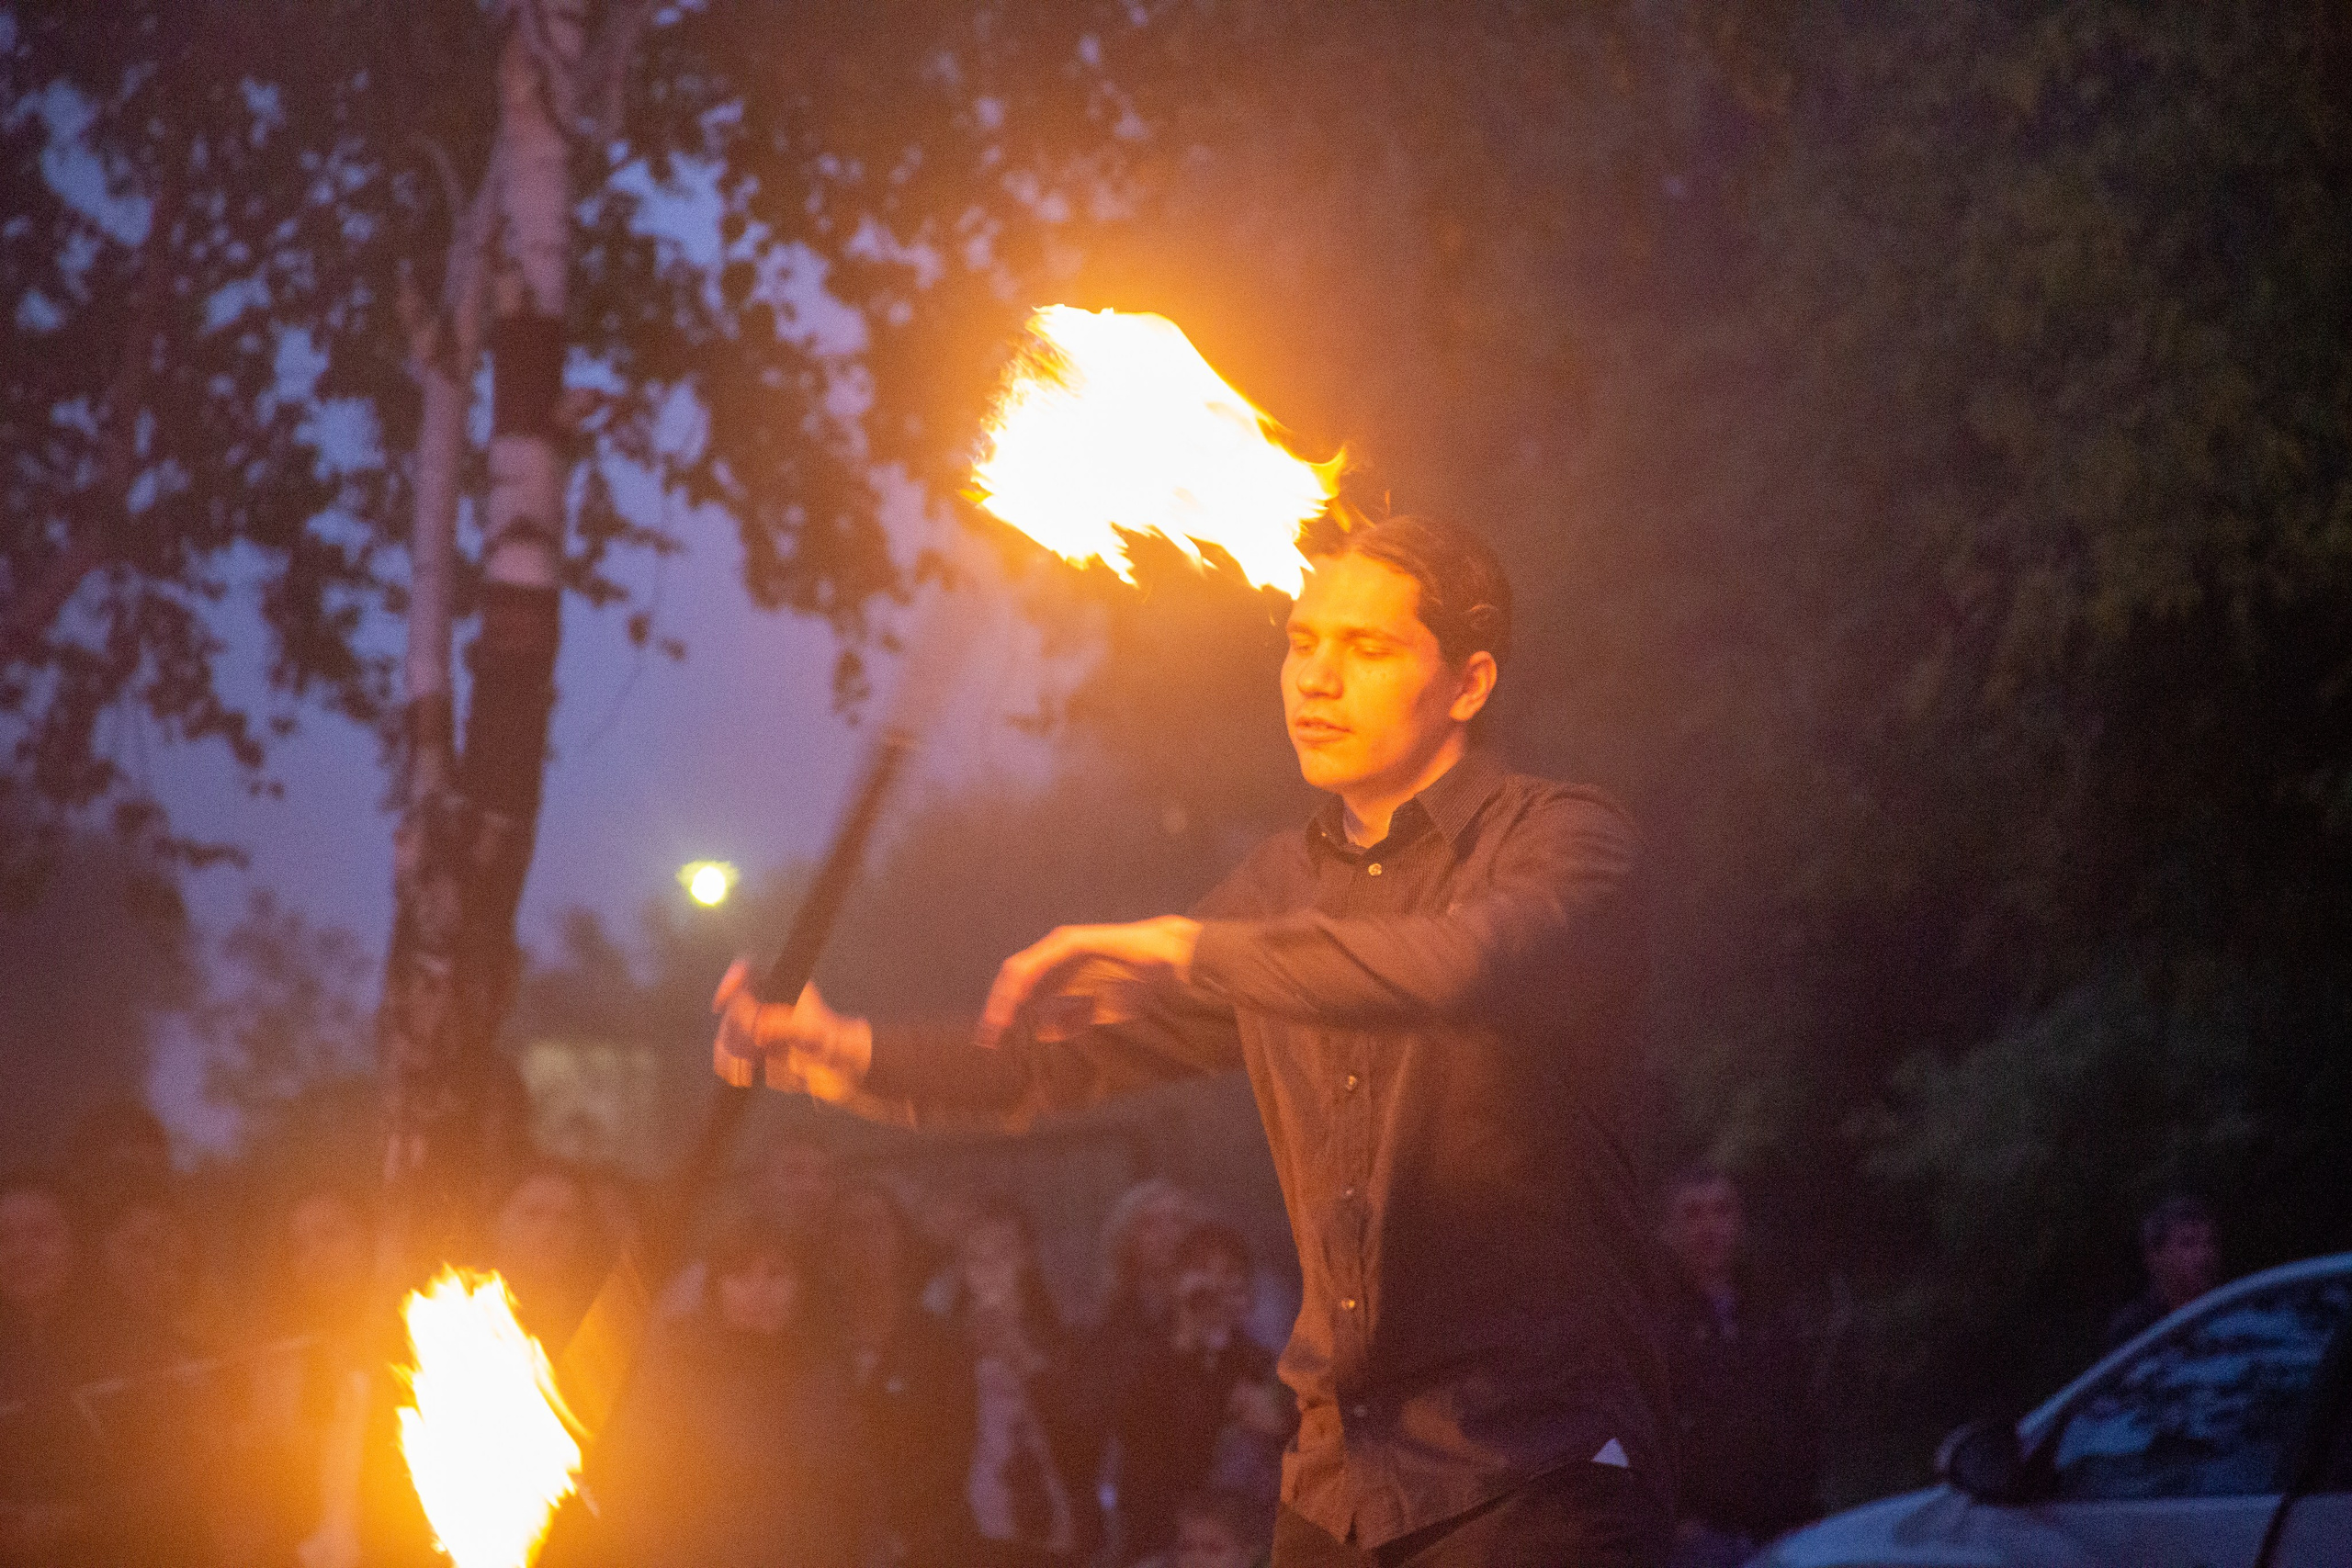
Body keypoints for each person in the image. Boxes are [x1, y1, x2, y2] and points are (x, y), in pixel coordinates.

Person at [717, 507, 1670, 1565]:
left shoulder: (1567, 842)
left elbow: (1463, 967)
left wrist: (1192, 949)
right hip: (1338, 1487)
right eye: (1302, 642)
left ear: (1470, 683)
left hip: (1532, 1475)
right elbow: (1059, 1058)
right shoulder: (1279, 885)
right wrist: (851, 1052)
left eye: (1367, 648)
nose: (1315, 678)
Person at [584, 1217, 861, 1568]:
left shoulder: (823, 1372)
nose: (758, 1290)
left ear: (801, 1286)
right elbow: (631, 1481)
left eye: (776, 1275)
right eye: (740, 1275)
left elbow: (846, 1489)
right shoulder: (676, 1366)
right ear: (716, 1284)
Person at [1653, 1166, 1818, 1566]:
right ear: (1670, 1227)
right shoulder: (1655, 1322)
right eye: (1693, 1214)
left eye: (1721, 1211)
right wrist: (1675, 1519)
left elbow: (1801, 1415)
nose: (1709, 1227)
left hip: (1780, 1530)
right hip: (1697, 1539)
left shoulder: (1768, 1314)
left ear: (1739, 1222)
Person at [1113, 1223, 1294, 1565]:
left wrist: (1279, 1427)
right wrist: (1186, 1334)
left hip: (1246, 1542)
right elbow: (1140, 1444)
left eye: (1228, 1273)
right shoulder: (1143, 1356)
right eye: (1202, 1271)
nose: (1214, 1286)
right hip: (1168, 1542)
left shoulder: (1265, 1362)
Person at [825, 1179, 977, 1568]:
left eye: (878, 1224)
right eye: (850, 1226)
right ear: (830, 1245)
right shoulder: (811, 1339)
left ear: (898, 1237)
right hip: (830, 1535)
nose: (865, 1239)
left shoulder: (936, 1339)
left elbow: (956, 1447)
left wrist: (903, 1531)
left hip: (924, 1539)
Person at [944, 1197, 1101, 1568]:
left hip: (1056, 1534)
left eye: (1003, 1255)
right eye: (977, 1259)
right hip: (972, 1538)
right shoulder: (943, 1350)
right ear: (962, 1269)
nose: (990, 1270)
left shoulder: (1066, 1342)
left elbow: (1085, 1443)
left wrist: (1024, 1358)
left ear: (1025, 1259)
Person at [0, 1169, 111, 1566]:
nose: (20, 1251)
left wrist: (75, 1519)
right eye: (5, 1237)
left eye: (41, 1233)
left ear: (77, 1245)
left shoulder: (122, 1349)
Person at [2103, 1194, 2224, 1350]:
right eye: (2188, 1244)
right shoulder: (2135, 1329)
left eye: (2209, 1242)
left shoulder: (2232, 1307)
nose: (2203, 1254)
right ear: (2155, 1256)